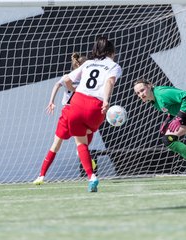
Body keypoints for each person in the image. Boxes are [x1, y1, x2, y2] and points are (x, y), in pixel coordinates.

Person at [63, 36, 122, 192]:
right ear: (112, 52)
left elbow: (67, 80)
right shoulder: (114, 66)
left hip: (77, 102)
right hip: (96, 106)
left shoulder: (88, 63)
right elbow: (109, 82)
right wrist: (106, 101)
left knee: (80, 143)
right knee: (88, 131)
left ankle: (91, 177)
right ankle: (88, 163)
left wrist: (76, 91)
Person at [33, 53, 95, 185]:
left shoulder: (87, 79)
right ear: (80, 66)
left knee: (86, 135)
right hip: (69, 111)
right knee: (56, 145)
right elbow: (59, 84)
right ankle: (41, 175)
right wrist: (51, 101)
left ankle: (42, 175)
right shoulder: (72, 76)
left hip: (78, 111)